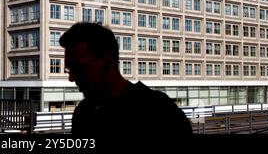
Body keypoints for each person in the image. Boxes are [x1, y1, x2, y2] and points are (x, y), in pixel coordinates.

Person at [60, 22, 192, 136]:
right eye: (69, 69)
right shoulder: (82, 114)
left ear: (107, 62)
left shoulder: (160, 112)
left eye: (78, 68)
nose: (71, 78)